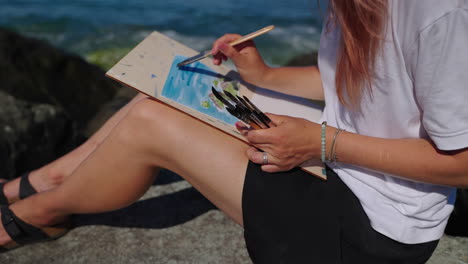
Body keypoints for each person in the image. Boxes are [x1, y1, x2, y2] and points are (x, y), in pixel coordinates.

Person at [1, 0, 468, 262]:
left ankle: (43, 212)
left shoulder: (439, 13)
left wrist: (323, 142)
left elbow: (462, 163)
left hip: (374, 232)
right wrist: (262, 76)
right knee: (169, 88)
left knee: (151, 124)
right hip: (342, 167)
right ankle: (50, 179)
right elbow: (357, 85)